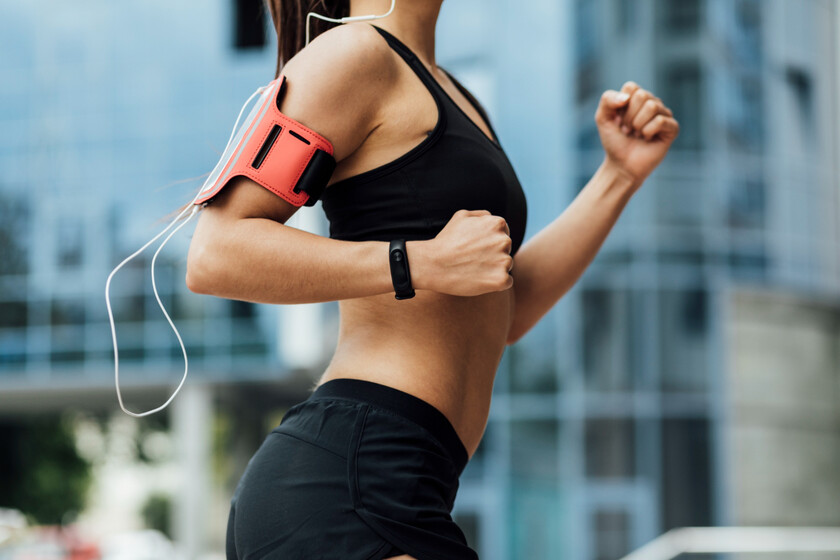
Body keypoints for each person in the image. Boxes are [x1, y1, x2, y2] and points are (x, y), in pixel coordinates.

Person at [186, 1, 680, 558]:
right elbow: (216, 252)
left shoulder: (452, 91)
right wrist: (419, 262)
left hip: (412, 478)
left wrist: (618, 176)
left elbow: (506, 308)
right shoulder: (352, 55)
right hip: (348, 478)